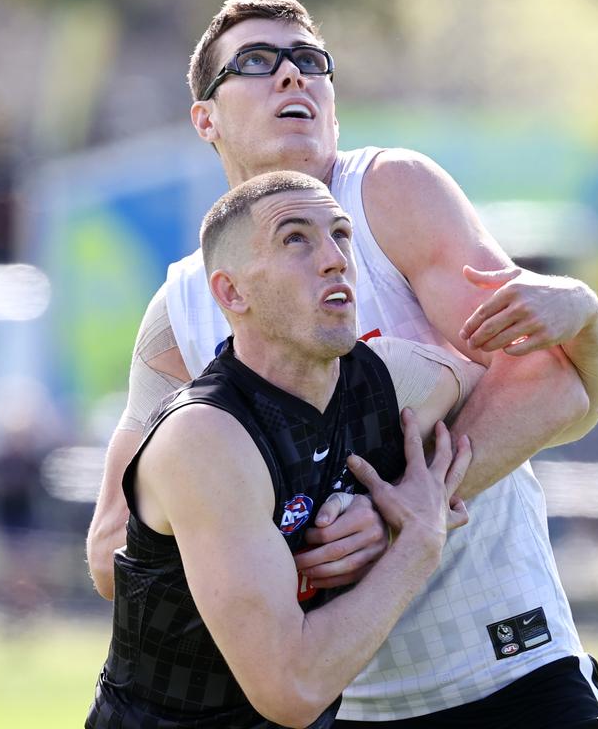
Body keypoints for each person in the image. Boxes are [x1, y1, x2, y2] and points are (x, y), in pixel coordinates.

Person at [87, 0, 598, 728]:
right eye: (256, 63)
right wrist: (247, 525)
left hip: (501, 667)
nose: (291, 76)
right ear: (205, 118)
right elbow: (114, 547)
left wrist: (389, 514)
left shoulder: (389, 192)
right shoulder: (182, 306)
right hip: (339, 700)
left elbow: (550, 379)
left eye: (310, 61)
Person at [86, 171, 483, 728]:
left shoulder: (390, 379)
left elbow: (535, 379)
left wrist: (583, 320)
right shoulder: (205, 436)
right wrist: (416, 541)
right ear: (231, 292)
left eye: (341, 234)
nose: (335, 258)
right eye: (296, 238)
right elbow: (292, 691)